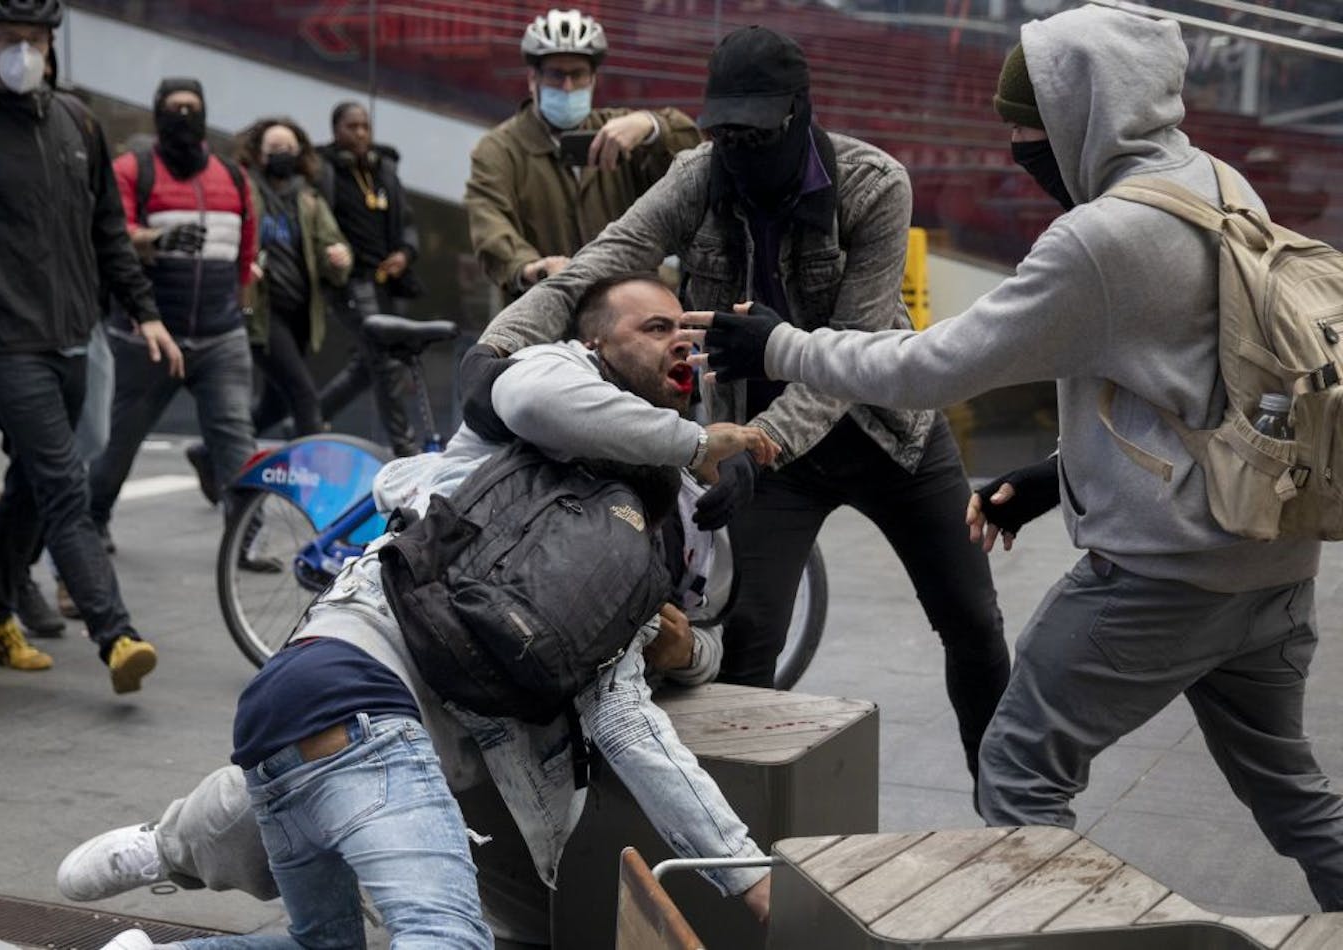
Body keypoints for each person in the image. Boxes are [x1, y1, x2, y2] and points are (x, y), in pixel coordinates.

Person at [690, 6, 1343, 909]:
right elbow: (1190, 378)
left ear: (1085, 109)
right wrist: (1049, 477)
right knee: (1292, 795)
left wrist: (778, 345)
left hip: (1168, 577)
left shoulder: (1101, 238)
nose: (1012, 144)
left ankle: (1038, 932)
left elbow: (928, 367)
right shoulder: (1219, 183)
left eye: (1025, 122)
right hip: (1273, 562)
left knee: (1019, 770)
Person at [59, 274, 775, 947]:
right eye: (655, 327)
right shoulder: (541, 403)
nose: (681, 339)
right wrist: (748, 876)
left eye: (687, 329)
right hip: (360, 677)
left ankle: (163, 865)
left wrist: (688, 653)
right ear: (594, 347)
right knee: (439, 923)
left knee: (318, 903)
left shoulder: (657, 526)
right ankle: (166, 846)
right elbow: (534, 394)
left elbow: (687, 635)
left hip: (365, 712)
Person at [478, 25, 1009, 788]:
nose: (738, 148)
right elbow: (601, 262)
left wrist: (756, 441)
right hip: (763, 450)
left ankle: (1009, 806)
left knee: (973, 621)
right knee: (747, 641)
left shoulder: (873, 185)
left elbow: (852, 359)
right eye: (724, 131)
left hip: (889, 435)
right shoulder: (701, 174)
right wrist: (495, 352)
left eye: (755, 133)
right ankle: (736, 841)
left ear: (799, 112)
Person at [0, 0, 181, 691]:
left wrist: (145, 314)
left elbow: (108, 234)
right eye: (10, 39)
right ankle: (116, 634)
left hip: (73, 336)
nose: (24, 52)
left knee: (35, 486)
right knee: (66, 482)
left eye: (35, 39)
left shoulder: (78, 123)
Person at [87, 78, 259, 542]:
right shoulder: (130, 169)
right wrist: (155, 239)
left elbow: (246, 255)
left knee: (236, 443)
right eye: (174, 108)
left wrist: (241, 317)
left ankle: (246, 536)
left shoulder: (233, 176)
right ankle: (94, 519)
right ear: (158, 113)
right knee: (116, 445)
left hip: (221, 335)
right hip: (147, 337)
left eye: (192, 108)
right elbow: (109, 232)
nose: (184, 117)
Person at [465, 8, 701, 303]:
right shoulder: (499, 149)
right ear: (532, 79)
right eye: (556, 75)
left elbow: (695, 159)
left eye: (577, 74)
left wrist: (651, 126)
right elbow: (490, 228)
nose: (568, 86)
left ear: (592, 79)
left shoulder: (620, 129)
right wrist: (530, 267)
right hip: (545, 311)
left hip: (629, 311)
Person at [312, 100, 423, 456]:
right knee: (384, 360)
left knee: (367, 367)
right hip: (350, 281)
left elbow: (407, 222)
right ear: (336, 131)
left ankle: (306, 418)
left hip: (385, 282)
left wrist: (404, 254)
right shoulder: (323, 171)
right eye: (351, 126)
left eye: (365, 126)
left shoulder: (385, 171)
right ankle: (405, 449)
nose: (360, 133)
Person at [237, 117, 351, 438]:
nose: (282, 154)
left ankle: (208, 453)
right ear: (259, 154)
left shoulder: (309, 200)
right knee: (303, 395)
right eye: (274, 148)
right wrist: (242, 266)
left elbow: (335, 246)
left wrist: (339, 258)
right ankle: (312, 471)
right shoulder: (244, 191)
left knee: (275, 405)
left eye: (289, 148)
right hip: (263, 311)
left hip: (300, 315)